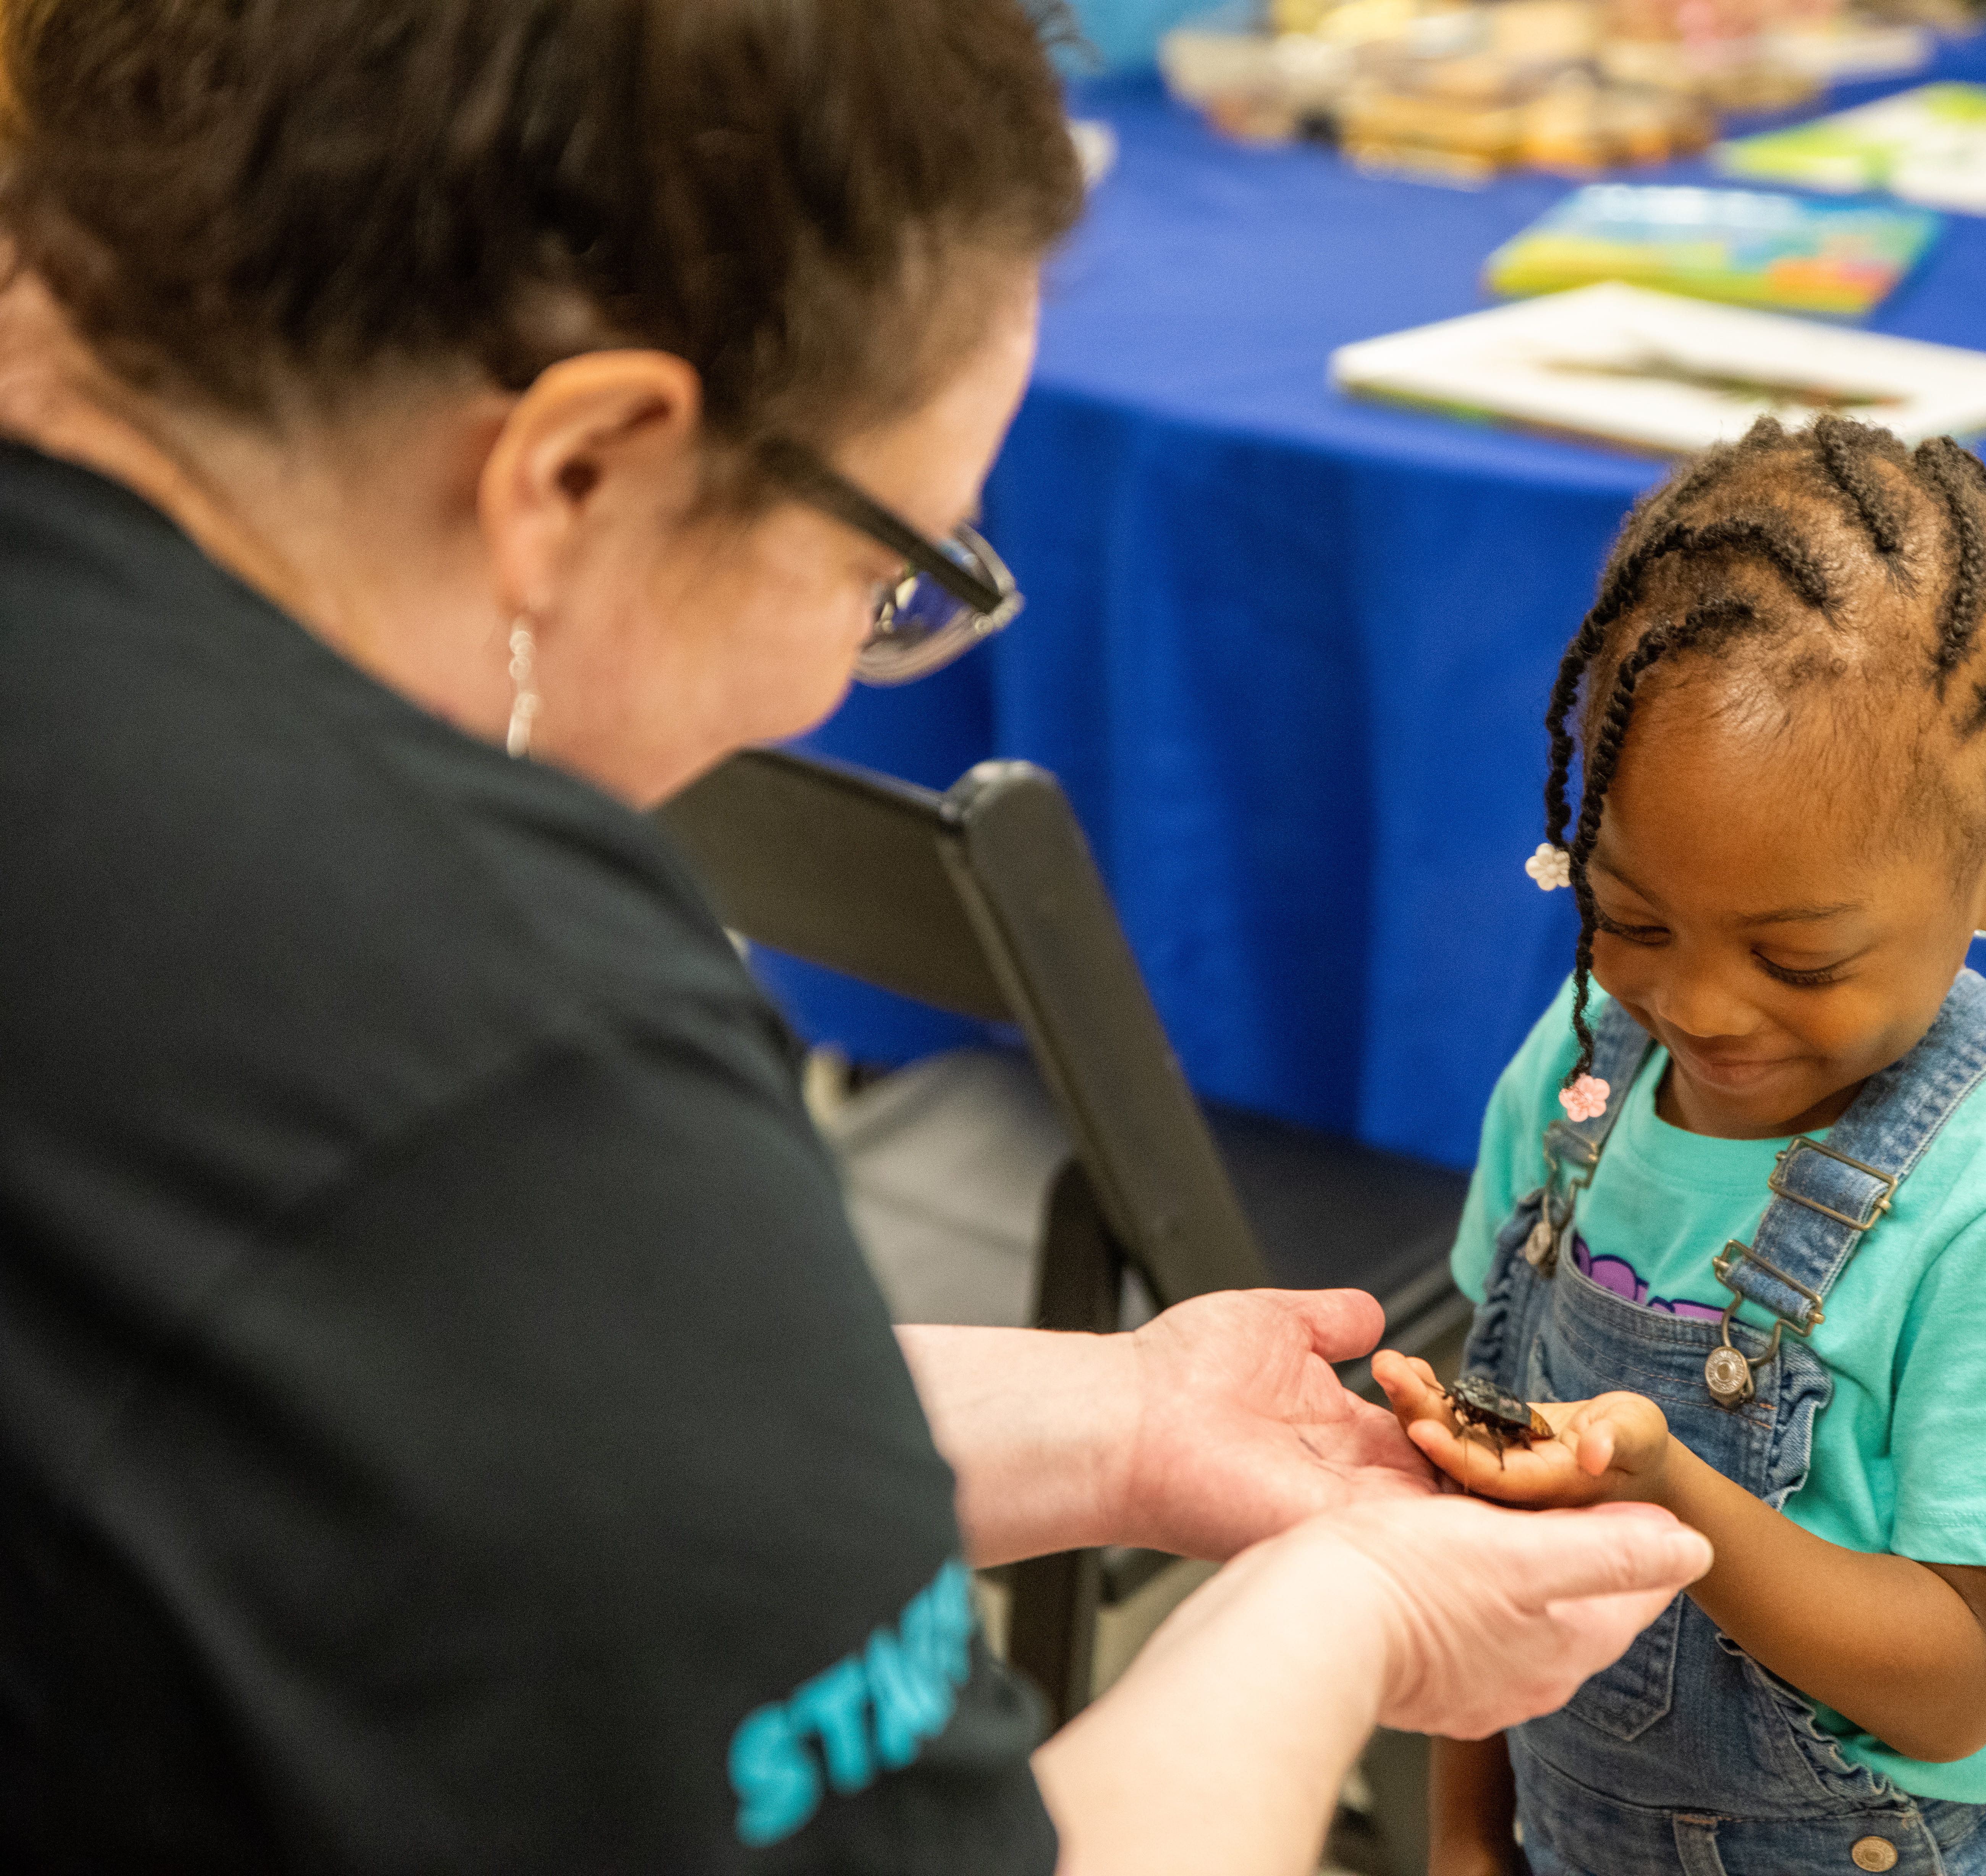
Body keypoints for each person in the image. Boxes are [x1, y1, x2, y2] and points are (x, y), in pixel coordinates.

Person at [0, 3, 1712, 1870]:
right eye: (885, 575)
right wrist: (1352, 1608)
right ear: (576, 473)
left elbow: (449, 1399)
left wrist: (1124, 1421)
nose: (846, 670)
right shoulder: (478, 1040)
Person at [1373, 417, 1986, 1876]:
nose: (1694, 1004)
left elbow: (1953, 1686)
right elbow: (1482, 1518)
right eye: (1627, 918)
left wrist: (1668, 1490)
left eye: (1798, 961)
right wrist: (1463, 1834)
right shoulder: (1575, 1080)